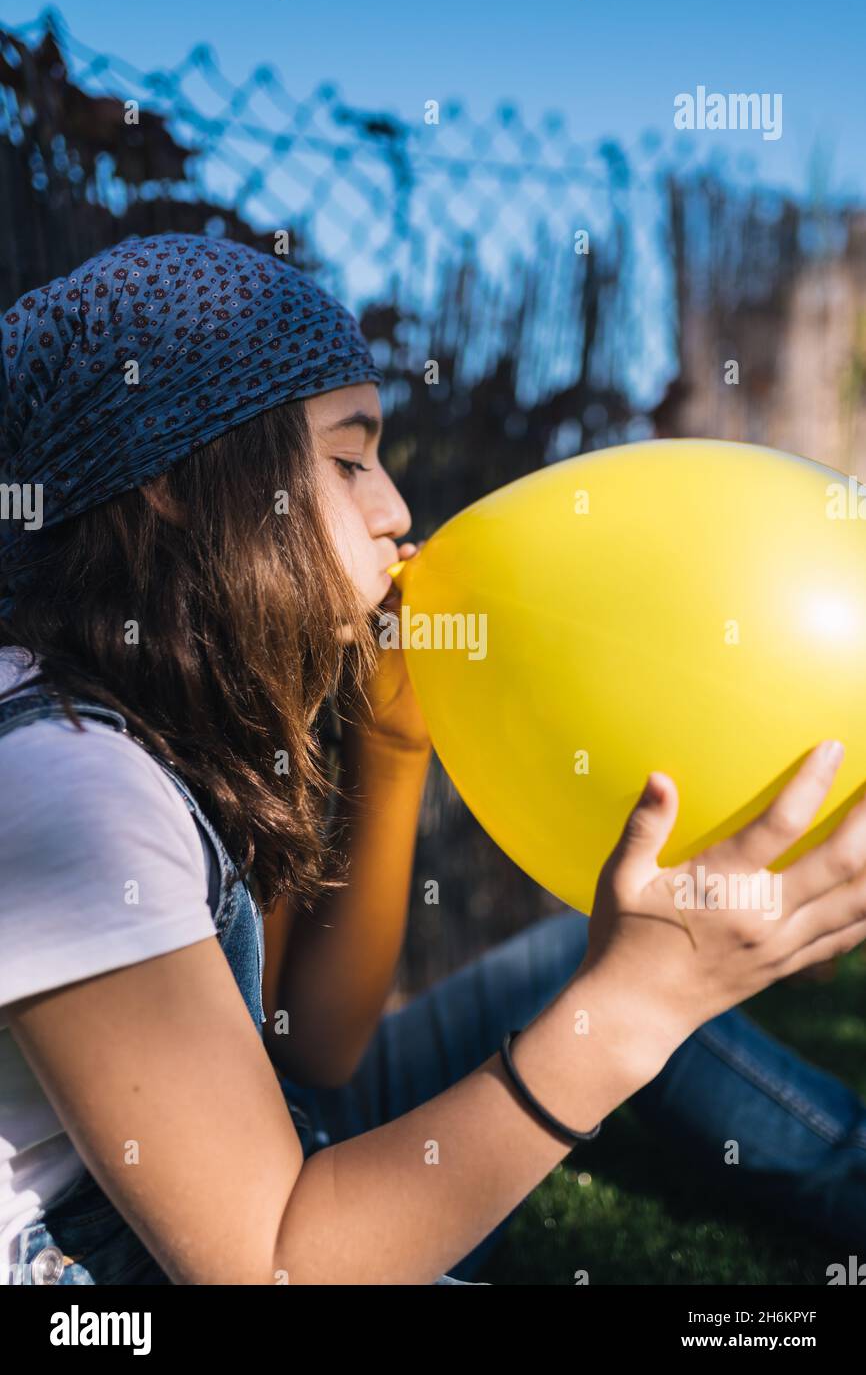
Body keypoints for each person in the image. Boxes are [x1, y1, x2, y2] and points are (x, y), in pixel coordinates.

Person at [0, 233, 864, 1288]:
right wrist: (641, 1005)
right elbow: (270, 1264)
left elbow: (308, 1051)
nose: (395, 511)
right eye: (348, 457)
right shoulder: (69, 782)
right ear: (177, 482)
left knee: (565, 969)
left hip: (266, 1170)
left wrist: (393, 744)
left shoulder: (166, 716)